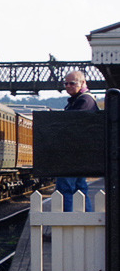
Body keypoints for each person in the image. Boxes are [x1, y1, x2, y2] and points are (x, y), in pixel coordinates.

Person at [55, 70, 99, 212]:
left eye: (72, 83)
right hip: (79, 153)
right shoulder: (79, 100)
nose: (67, 86)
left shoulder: (84, 101)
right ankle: (86, 219)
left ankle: (67, 222)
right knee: (80, 189)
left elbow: (73, 125)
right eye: (65, 83)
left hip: (73, 154)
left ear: (83, 83)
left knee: (65, 189)